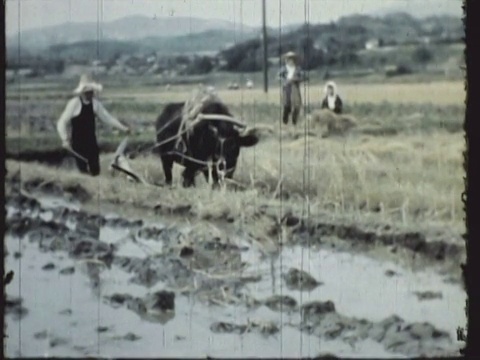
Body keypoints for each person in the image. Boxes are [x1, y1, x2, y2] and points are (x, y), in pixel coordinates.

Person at [56, 74, 130, 176]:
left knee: (95, 170)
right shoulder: (74, 104)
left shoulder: (95, 104)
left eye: (91, 93)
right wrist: (64, 139)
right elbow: (62, 122)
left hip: (91, 142)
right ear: (82, 93)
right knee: (83, 171)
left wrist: (123, 128)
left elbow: (107, 118)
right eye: (87, 93)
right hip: (78, 143)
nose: (90, 95)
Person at [278, 51, 306, 125]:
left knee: (297, 105)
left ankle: (294, 120)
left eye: (292, 59)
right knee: (287, 104)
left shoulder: (298, 69)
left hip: (295, 87)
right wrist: (285, 81)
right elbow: (278, 77)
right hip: (287, 87)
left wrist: (296, 79)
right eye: (289, 59)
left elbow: (303, 77)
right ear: (286, 60)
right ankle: (285, 120)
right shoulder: (283, 69)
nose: (290, 61)